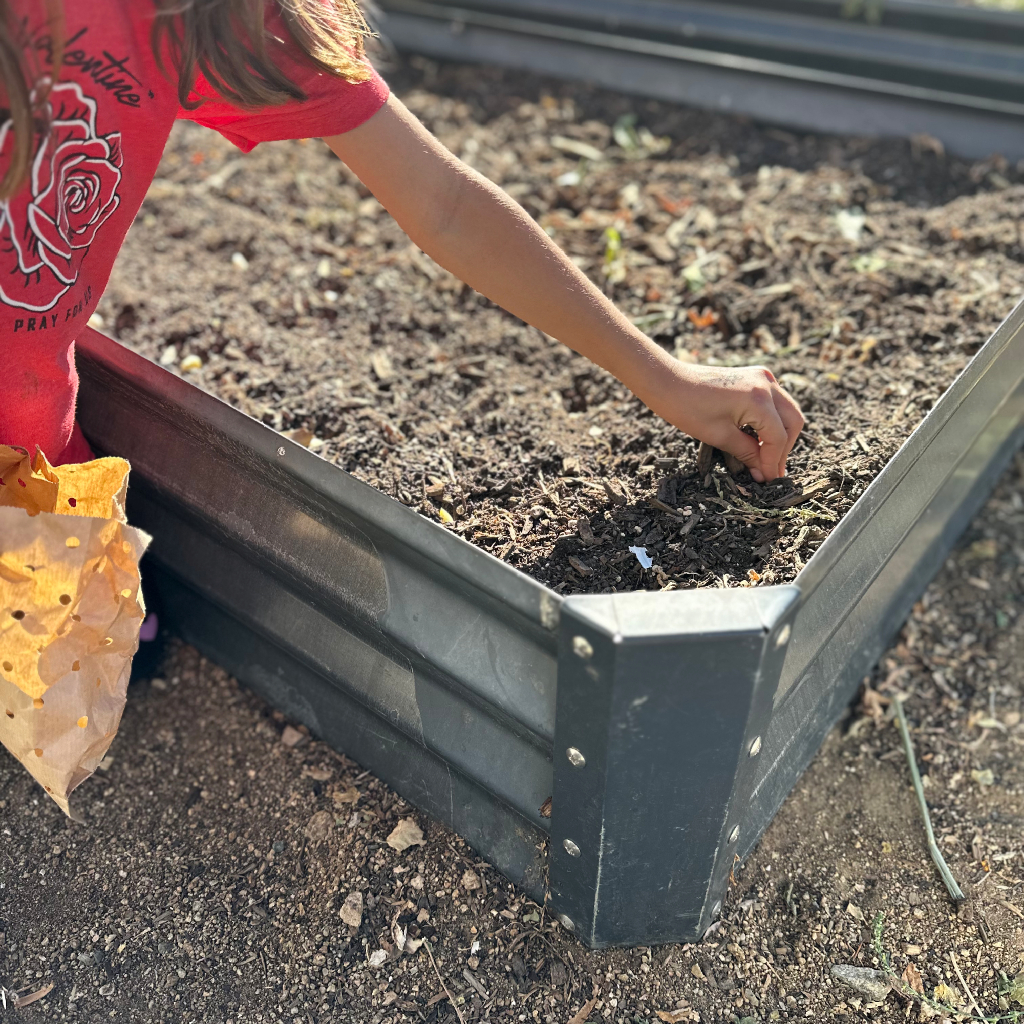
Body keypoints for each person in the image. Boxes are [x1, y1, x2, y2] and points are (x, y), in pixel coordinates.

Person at [0, 0, 802, 485]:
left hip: (28, 473)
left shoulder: (211, 19)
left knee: (111, 668)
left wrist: (663, 377)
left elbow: (445, 202)